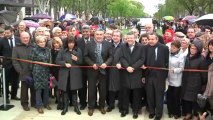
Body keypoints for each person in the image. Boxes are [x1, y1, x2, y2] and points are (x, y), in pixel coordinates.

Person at [84, 29, 113, 116]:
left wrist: (106, 63)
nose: (99, 36)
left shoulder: (108, 44)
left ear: (103, 35)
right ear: (94, 35)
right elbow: (85, 56)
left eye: (101, 34)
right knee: (92, 90)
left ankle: (101, 106)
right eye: (97, 34)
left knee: (103, 90)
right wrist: (92, 64)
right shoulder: (89, 44)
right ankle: (91, 107)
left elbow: (111, 56)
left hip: (103, 71)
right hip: (92, 71)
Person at [119, 31, 145, 119]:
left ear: (135, 38)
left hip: (136, 73)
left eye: (131, 38)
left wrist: (133, 67)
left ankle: (135, 111)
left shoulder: (141, 47)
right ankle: (124, 110)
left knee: (136, 94)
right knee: (125, 93)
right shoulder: (122, 46)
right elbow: (121, 57)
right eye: (128, 38)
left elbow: (142, 59)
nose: (129, 39)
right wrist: (127, 67)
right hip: (126, 73)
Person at [145, 33, 169, 120]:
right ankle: (152, 111)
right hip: (149, 75)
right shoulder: (146, 48)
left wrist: (165, 76)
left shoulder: (164, 48)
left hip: (160, 76)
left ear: (157, 39)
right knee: (150, 95)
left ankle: (159, 113)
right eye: (149, 39)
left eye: (152, 39)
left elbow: (167, 62)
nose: (150, 41)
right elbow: (144, 60)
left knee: (159, 96)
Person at [181, 38, 207, 120]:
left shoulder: (201, 59)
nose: (192, 50)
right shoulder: (187, 57)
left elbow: (204, 74)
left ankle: (196, 115)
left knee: (195, 100)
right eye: (191, 48)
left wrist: (203, 84)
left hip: (196, 83)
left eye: (194, 49)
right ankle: (188, 113)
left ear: (198, 50)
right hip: (186, 81)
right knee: (186, 99)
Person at [56, 36, 82, 115]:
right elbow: (57, 61)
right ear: (67, 43)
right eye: (69, 43)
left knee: (74, 91)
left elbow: (81, 62)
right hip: (65, 74)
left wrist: (77, 59)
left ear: (75, 43)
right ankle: (65, 107)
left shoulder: (78, 50)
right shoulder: (63, 51)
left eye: (72, 43)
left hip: (75, 74)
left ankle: (76, 107)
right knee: (65, 91)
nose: (71, 44)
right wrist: (64, 64)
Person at [12, 32, 35, 111]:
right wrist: (20, 71)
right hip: (23, 71)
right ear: (20, 38)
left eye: (27, 38)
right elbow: (15, 61)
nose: (25, 39)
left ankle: (34, 102)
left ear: (29, 38)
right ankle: (24, 103)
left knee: (34, 88)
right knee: (24, 89)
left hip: (34, 71)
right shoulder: (16, 48)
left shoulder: (33, 46)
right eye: (24, 38)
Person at [29, 36, 52, 114]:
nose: (42, 43)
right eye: (40, 42)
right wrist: (33, 71)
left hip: (46, 71)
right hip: (37, 72)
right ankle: (39, 106)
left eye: (44, 41)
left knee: (46, 88)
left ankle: (46, 103)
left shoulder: (48, 50)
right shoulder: (34, 50)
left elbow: (50, 61)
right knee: (38, 89)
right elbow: (31, 62)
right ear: (37, 43)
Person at [0, 26, 20, 103]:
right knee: (6, 81)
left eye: (8, 33)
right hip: (6, 64)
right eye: (5, 33)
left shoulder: (18, 39)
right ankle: (6, 97)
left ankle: (14, 95)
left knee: (15, 80)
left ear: (12, 32)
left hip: (16, 64)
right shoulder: (2, 41)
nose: (6, 34)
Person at [166, 40, 185, 119]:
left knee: (176, 97)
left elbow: (182, 68)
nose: (172, 49)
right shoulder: (169, 54)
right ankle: (170, 111)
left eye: (174, 48)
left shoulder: (182, 56)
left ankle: (177, 112)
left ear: (178, 48)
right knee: (169, 97)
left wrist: (174, 70)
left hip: (177, 80)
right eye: (171, 47)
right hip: (169, 79)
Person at [76, 25, 93, 110]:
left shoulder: (94, 40)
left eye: (87, 31)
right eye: (84, 32)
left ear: (90, 32)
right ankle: (83, 102)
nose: (86, 33)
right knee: (82, 87)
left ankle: (92, 102)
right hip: (81, 67)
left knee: (92, 86)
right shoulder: (78, 42)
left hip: (91, 67)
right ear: (81, 32)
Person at [107, 30, 122, 112]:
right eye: (114, 36)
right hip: (110, 70)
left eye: (117, 36)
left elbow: (124, 57)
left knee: (120, 88)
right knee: (111, 88)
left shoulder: (123, 46)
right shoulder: (109, 45)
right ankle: (111, 105)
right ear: (112, 37)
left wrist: (120, 62)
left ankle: (120, 104)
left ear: (120, 37)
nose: (115, 37)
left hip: (120, 70)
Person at [50, 37, 63, 109]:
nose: (56, 44)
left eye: (57, 43)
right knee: (56, 86)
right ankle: (58, 100)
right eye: (54, 43)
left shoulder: (63, 51)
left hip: (61, 70)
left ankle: (62, 100)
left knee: (61, 86)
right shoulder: (51, 51)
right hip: (54, 71)